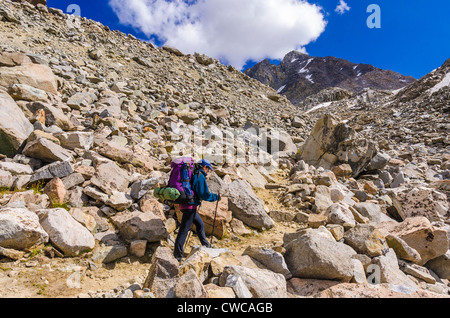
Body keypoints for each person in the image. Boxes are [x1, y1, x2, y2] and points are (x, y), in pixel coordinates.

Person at [173, 159, 220, 261]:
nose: (208, 171)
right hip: (190, 206)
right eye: (208, 169)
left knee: (199, 224)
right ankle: (177, 255)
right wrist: (215, 197)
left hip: (187, 205)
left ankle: (206, 245)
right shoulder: (199, 176)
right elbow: (204, 194)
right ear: (204, 167)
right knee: (184, 230)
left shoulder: (194, 173)